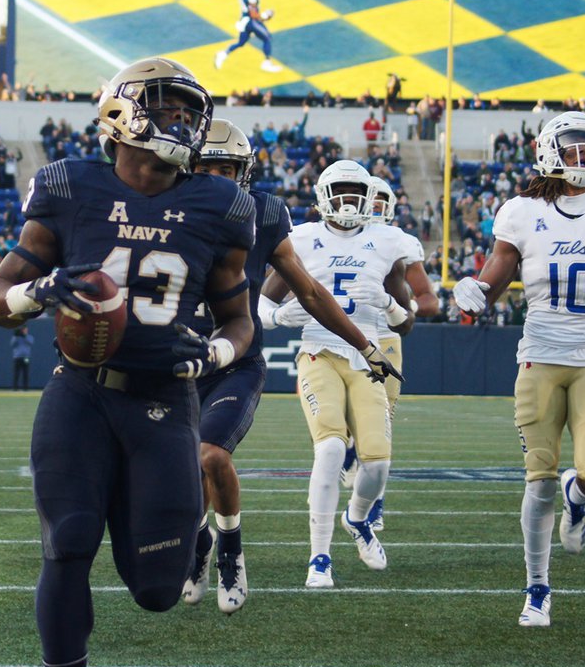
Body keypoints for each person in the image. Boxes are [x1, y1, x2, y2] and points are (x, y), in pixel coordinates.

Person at [0, 57, 258, 667]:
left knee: (158, 588)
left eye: (190, 112)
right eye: (168, 108)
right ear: (121, 111)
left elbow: (240, 321)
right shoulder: (69, 186)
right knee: (69, 542)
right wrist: (39, 292)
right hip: (79, 393)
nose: (182, 122)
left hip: (163, 401)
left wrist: (217, 352)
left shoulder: (222, 203)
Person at [183, 120, 400, 614]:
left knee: (211, 455)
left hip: (235, 357)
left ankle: (231, 551)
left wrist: (366, 343)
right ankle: (199, 544)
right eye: (206, 166)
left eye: (227, 168)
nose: (216, 177)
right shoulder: (167, 206)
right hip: (176, 356)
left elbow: (307, 290)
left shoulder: (264, 211)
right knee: (179, 474)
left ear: (245, 172)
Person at [453, 111, 585, 627]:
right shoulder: (521, 212)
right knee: (538, 481)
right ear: (548, 152)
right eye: (573, 150)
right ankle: (537, 588)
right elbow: (489, 286)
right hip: (538, 359)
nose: (583, 159)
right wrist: (470, 292)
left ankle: (577, 496)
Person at [261, 160, 415, 588]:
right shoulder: (303, 238)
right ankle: (320, 558)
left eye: (355, 192)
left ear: (370, 197)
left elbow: (407, 324)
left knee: (378, 465)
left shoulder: (387, 242)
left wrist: (388, 305)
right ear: (323, 195)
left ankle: (358, 518)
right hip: (318, 351)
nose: (348, 201)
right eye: (340, 191)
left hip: (368, 356)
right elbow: (261, 301)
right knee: (330, 449)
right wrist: (277, 318)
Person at [339, 175, 441, 531]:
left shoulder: (398, 242)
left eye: (383, 201)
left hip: (385, 338)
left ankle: (375, 502)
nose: (376, 208)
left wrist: (399, 306)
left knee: (381, 423)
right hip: (342, 337)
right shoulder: (335, 235)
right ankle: (349, 449)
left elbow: (429, 301)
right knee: (337, 417)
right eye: (373, 200)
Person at [214, 0, 281, 73]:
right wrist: (264, 16)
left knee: (241, 43)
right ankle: (266, 62)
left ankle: (223, 54)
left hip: (244, 20)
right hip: (251, 21)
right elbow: (253, 14)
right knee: (267, 38)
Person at [12, 325, 34, 391]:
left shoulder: (29, 337)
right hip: (17, 357)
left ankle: (25, 388)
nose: (25, 331)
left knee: (25, 373)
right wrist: (16, 336)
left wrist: (25, 336)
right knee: (16, 373)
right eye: (23, 330)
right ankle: (15, 388)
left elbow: (31, 342)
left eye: (26, 330)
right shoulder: (17, 337)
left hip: (26, 357)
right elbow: (12, 344)